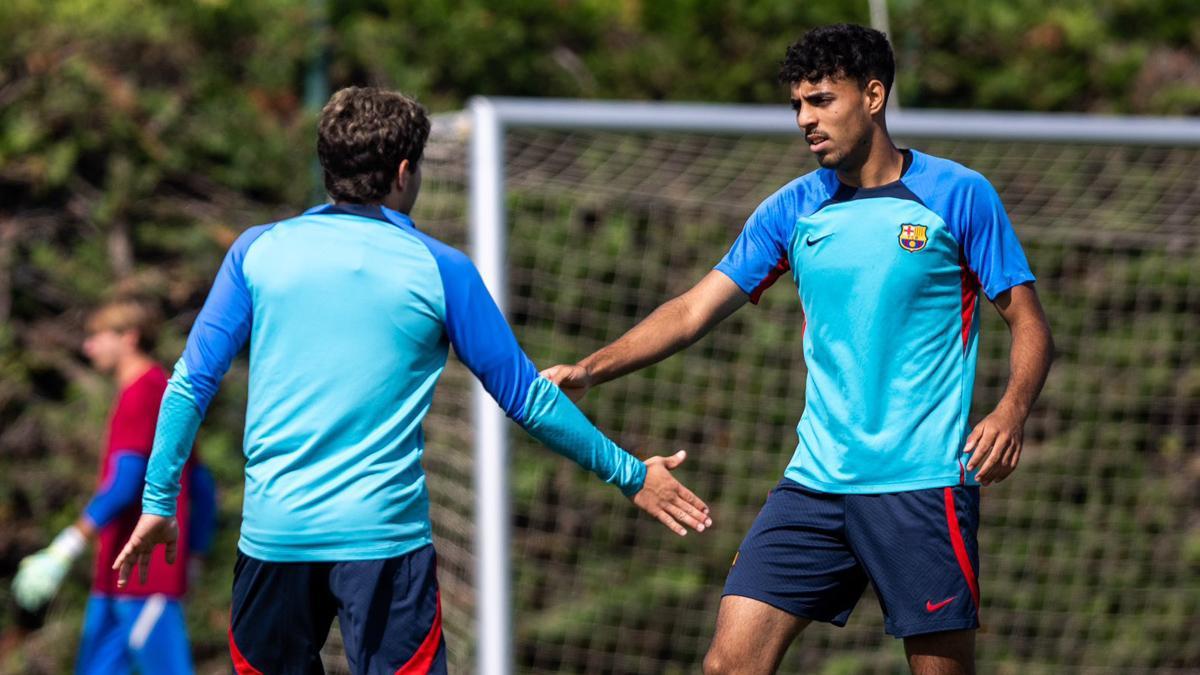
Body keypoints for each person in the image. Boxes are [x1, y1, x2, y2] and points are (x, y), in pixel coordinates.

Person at [112, 87, 711, 675]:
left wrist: (159, 502)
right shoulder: (441, 268)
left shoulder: (256, 251)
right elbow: (528, 398)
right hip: (384, 546)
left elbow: (189, 384)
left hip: (276, 539)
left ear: (328, 167)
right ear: (404, 172)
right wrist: (630, 473)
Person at [540, 24, 1055, 675]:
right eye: (797, 106)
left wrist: (1011, 411)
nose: (806, 120)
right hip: (815, 481)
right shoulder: (794, 210)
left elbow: (1031, 323)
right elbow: (693, 310)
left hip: (923, 485)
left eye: (821, 101)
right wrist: (591, 368)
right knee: (729, 663)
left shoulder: (958, 195)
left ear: (872, 96)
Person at [11, 300, 217, 674]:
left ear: (129, 338)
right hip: (115, 575)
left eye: (96, 337)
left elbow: (125, 484)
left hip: (145, 571)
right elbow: (202, 484)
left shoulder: (146, 392)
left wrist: (64, 548)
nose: (88, 347)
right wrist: (198, 552)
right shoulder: (150, 391)